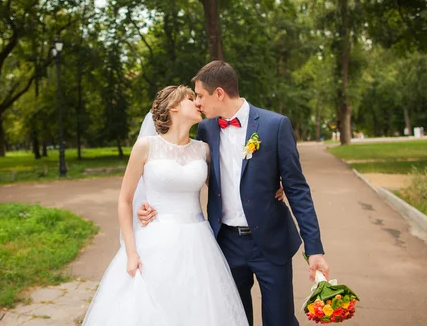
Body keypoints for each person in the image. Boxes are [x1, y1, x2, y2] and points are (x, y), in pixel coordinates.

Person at [139, 61, 329, 326]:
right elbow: (184, 173)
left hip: (271, 242)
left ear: (219, 93)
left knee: (280, 321)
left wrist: (315, 249)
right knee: (233, 319)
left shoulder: (275, 126)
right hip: (225, 244)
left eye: (201, 96)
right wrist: (152, 205)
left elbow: (298, 190)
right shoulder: (206, 129)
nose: (197, 104)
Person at [82, 85, 249, 325]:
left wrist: (275, 185)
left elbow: (227, 190)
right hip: (156, 240)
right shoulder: (145, 147)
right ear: (174, 107)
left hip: (198, 243)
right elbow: (125, 200)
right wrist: (131, 252)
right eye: (191, 99)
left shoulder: (203, 150)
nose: (198, 103)